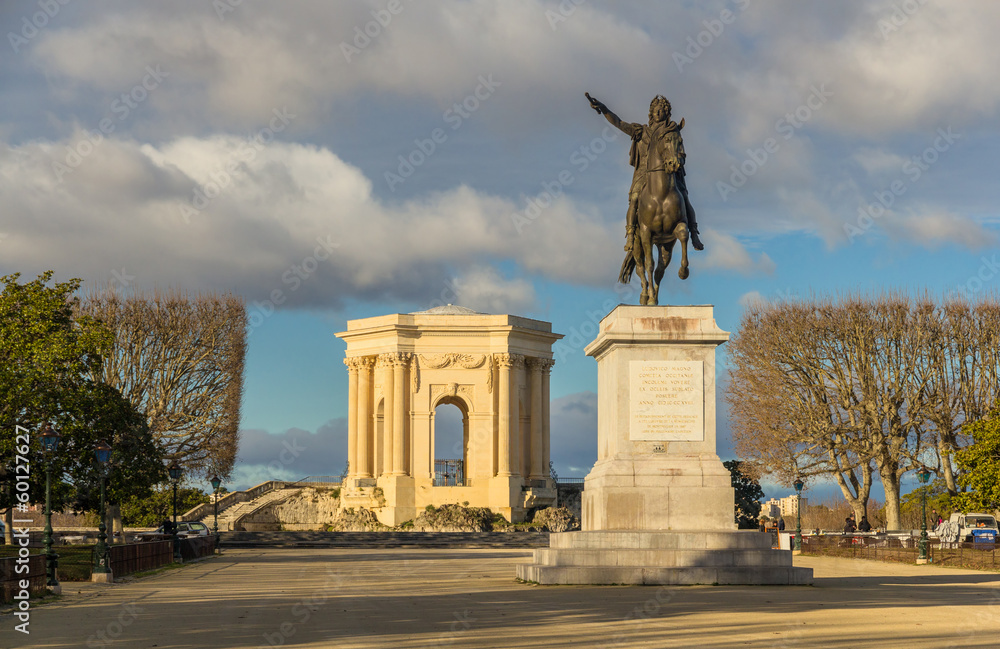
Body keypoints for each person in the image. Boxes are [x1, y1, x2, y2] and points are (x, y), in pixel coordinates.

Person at [586, 93, 705, 253]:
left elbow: (679, 151)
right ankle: (630, 234)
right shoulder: (641, 131)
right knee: (635, 198)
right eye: (655, 110)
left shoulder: (672, 130)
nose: (658, 113)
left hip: (670, 172)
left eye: (661, 110)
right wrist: (605, 109)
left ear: (666, 113)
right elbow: (619, 123)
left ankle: (694, 233)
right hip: (644, 172)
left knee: (684, 197)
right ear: (651, 113)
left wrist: (678, 162)